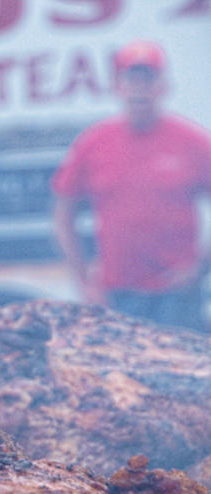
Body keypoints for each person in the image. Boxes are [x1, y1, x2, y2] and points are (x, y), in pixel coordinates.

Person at [52, 40, 211, 331]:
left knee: (183, 372)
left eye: (148, 79)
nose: (140, 88)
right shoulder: (94, 143)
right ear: (118, 86)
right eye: (132, 79)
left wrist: (200, 268)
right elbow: (64, 215)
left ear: (162, 85)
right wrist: (84, 282)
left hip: (177, 294)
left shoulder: (192, 142)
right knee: (120, 375)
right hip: (116, 295)